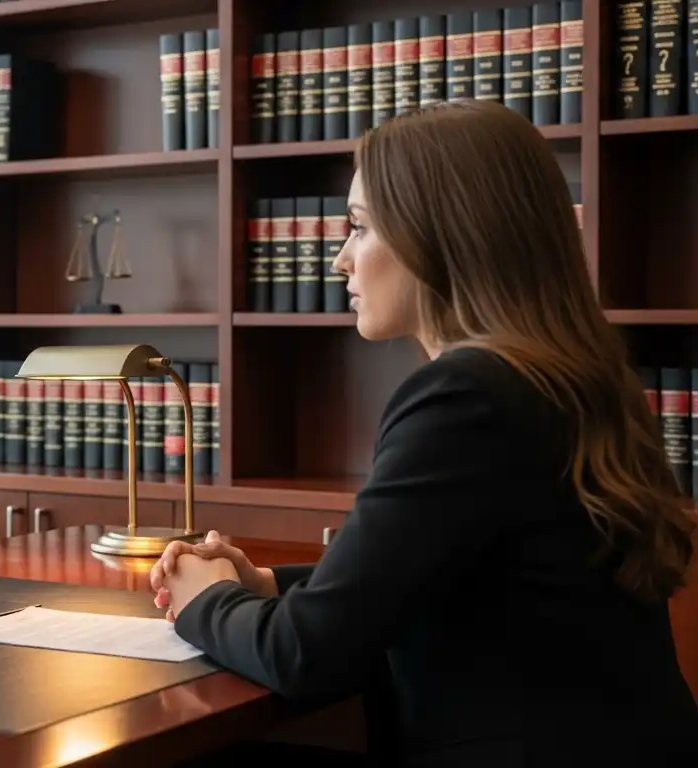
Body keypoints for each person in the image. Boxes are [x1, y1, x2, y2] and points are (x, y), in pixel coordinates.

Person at [151, 100, 698, 766]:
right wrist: (267, 584)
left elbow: (302, 654)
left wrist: (204, 597)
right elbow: (459, 573)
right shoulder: (578, 377)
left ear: (442, 235)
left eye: (359, 228)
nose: (340, 261)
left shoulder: (466, 396)